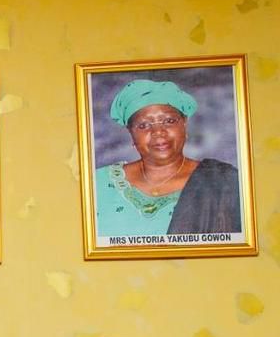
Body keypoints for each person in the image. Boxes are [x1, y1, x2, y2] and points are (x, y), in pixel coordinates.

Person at [94, 79, 241, 236]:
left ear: (184, 124)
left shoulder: (223, 182)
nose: (158, 132)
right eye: (144, 125)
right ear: (131, 132)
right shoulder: (98, 183)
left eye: (169, 121)